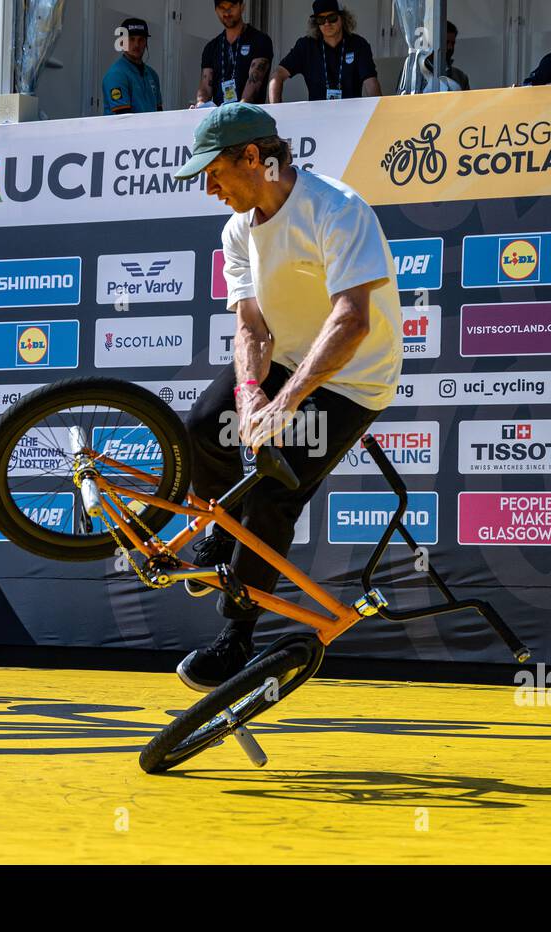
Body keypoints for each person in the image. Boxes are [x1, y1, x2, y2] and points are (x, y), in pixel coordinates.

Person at [169, 103, 402, 689]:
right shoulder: (236, 229)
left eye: (214, 171)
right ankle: (224, 532)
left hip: (353, 377)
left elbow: (351, 321)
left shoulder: (337, 209)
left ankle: (236, 637)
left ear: (254, 158)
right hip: (285, 360)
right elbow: (252, 329)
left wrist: (288, 400)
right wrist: (251, 394)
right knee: (203, 426)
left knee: (275, 486)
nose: (208, 186)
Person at [269, 0, 381, 102]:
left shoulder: (359, 45)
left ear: (342, 18)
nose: (327, 23)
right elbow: (278, 75)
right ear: (316, 23)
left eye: (332, 18)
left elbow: (370, 82)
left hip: (352, 114)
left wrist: (379, 114)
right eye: (321, 19)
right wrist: (276, 110)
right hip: (316, 116)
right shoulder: (306, 46)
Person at [194, 1, 274, 108]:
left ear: (242, 7)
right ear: (215, 10)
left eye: (231, 6)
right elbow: (205, 89)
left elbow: (251, 92)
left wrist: (236, 112)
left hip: (248, 117)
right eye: (222, 7)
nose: (226, 12)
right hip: (218, 118)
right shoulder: (211, 48)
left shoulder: (260, 41)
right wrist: (200, 106)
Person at [102, 17, 163, 115]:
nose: (136, 44)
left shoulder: (152, 74)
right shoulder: (116, 75)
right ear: (121, 42)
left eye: (141, 39)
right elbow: (123, 118)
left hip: (150, 130)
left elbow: (159, 113)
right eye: (131, 39)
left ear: (146, 43)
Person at [406, 19, 471, 92]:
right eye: (446, 42)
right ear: (433, 43)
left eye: (453, 43)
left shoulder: (461, 77)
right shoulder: (414, 74)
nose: (450, 47)